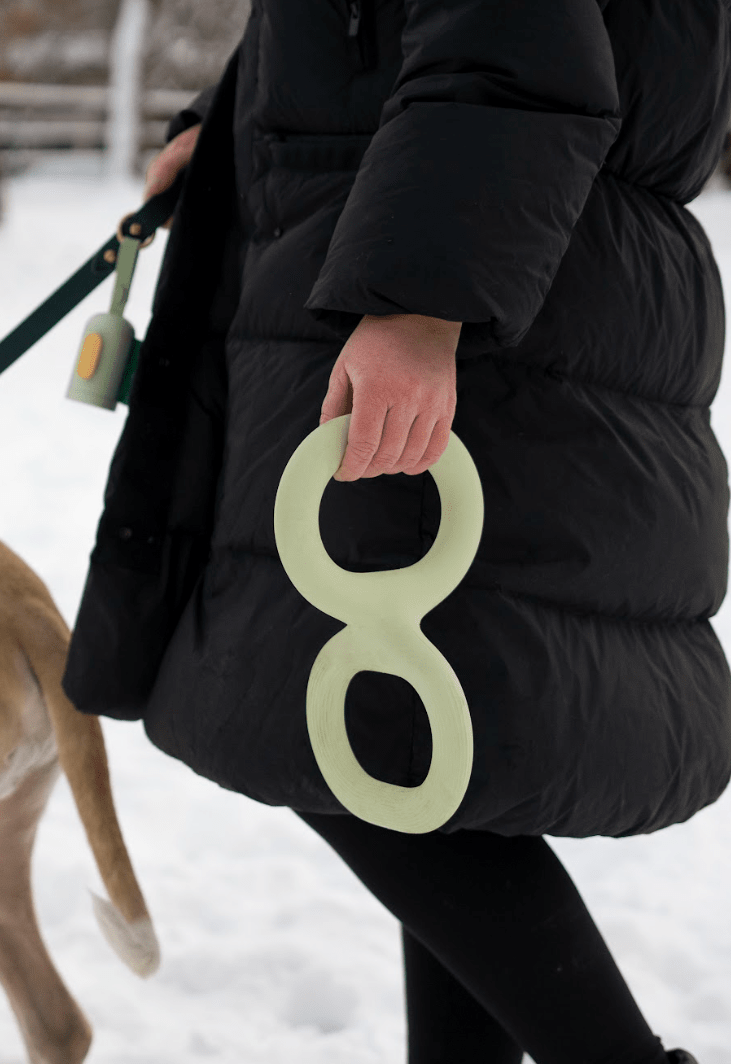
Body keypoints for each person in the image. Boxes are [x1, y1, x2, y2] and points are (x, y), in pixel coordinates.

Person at [65, 3, 731, 1063]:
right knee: (419, 742)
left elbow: (514, 41)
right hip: (455, 250)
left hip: (448, 275)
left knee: (343, 719)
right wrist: (229, 111)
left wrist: (421, 300)